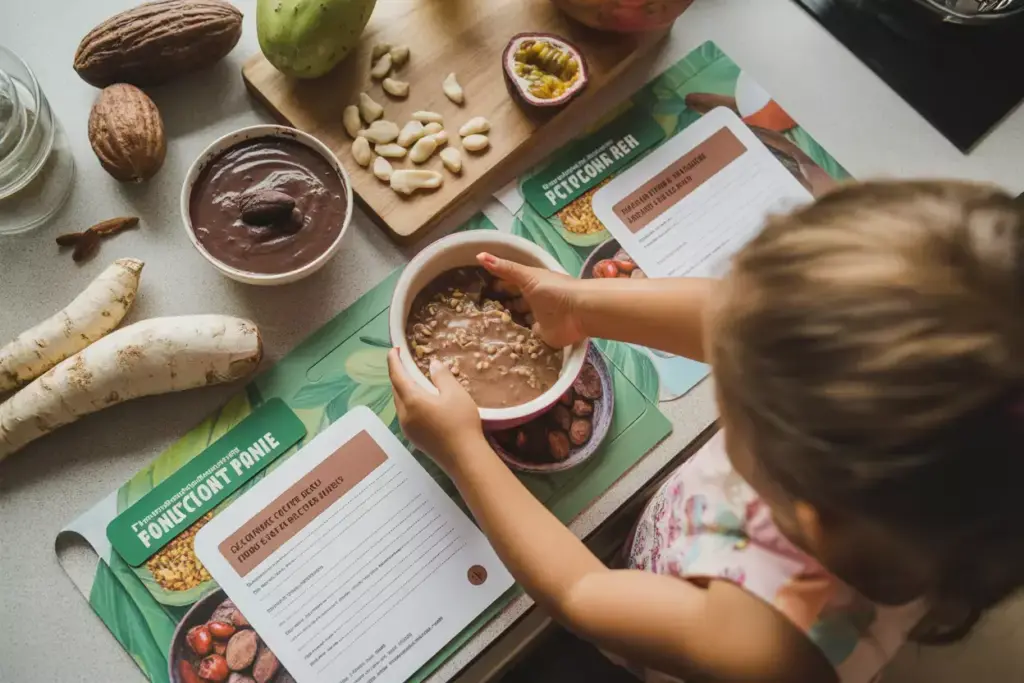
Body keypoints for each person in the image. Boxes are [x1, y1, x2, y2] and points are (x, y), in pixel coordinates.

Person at [386, 180, 1024, 683]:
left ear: (800, 502)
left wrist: (464, 450)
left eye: (737, 379)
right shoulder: (903, 469)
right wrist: (577, 305)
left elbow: (584, 593)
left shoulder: (763, 648)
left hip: (659, 635)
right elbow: (734, 318)